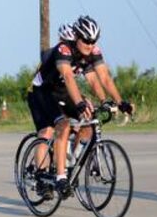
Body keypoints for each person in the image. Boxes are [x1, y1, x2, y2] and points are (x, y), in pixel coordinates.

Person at [26, 15, 133, 197]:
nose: (90, 45)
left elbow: (101, 78)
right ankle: (56, 177)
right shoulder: (64, 49)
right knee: (54, 129)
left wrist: (115, 101)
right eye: (86, 40)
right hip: (42, 91)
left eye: (93, 41)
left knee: (88, 124)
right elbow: (68, 76)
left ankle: (69, 160)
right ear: (77, 37)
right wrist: (79, 102)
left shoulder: (92, 52)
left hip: (63, 92)